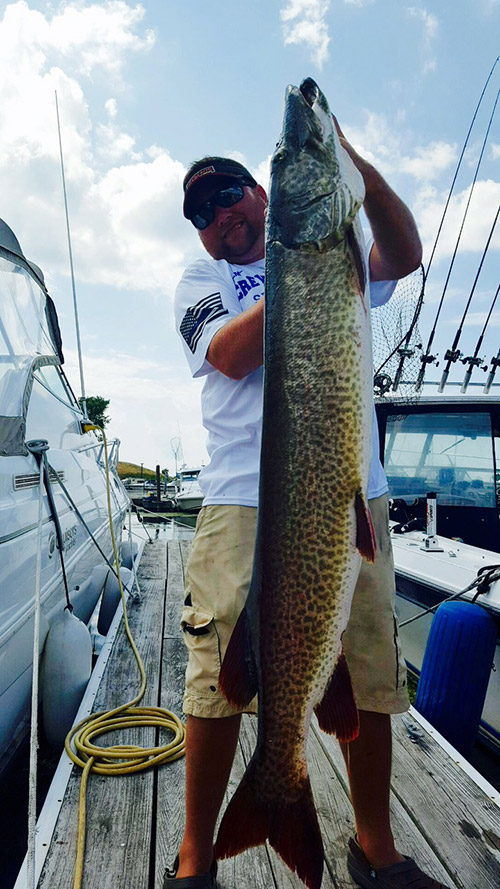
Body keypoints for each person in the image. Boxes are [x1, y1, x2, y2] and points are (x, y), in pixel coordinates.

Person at [168, 130, 448, 889]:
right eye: (202, 212)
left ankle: (375, 842)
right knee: (214, 672)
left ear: (264, 195)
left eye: (228, 194)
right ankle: (196, 856)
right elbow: (226, 354)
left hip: (350, 492)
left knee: (371, 669)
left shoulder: (340, 243)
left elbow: (407, 252)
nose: (219, 216)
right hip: (239, 500)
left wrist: (358, 174)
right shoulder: (204, 276)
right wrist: (301, 269)